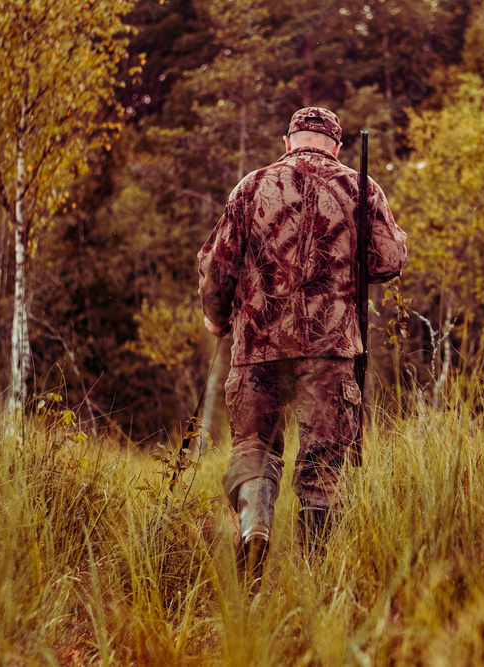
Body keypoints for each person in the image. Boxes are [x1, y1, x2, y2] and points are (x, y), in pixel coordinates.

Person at [197, 107, 408, 573]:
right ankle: (317, 575)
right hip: (330, 349)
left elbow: (218, 268)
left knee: (253, 446)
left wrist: (216, 318)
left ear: (289, 140)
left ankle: (255, 526)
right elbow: (389, 261)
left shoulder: (251, 186)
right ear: (335, 145)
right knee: (323, 463)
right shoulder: (361, 187)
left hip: (258, 346)